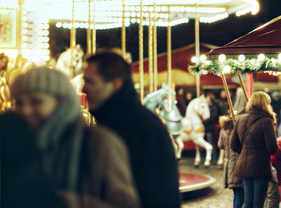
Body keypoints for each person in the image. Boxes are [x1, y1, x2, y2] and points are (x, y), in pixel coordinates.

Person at [2, 67, 139, 208]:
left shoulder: (98, 142)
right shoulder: (13, 142)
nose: (25, 110)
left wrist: (65, 202)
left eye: (36, 102)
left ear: (61, 103)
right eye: (19, 103)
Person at [83, 52, 180, 208]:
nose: (84, 89)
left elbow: (154, 189)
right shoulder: (115, 120)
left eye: (90, 82)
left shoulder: (136, 126)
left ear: (115, 84)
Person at [231, 91, 278, 208]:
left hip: (244, 166)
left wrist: (245, 152)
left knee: (247, 202)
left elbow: (233, 145)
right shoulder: (267, 121)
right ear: (265, 104)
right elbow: (272, 148)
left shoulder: (240, 119)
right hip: (260, 166)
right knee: (258, 203)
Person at [218, 116, 244, 208]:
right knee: (240, 194)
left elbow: (220, 145)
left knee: (236, 193)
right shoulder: (237, 131)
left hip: (228, 164)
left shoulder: (223, 131)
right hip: (237, 164)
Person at [203, 90, 220, 164]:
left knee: (210, 143)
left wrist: (204, 121)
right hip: (206, 127)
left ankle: (214, 158)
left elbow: (212, 118)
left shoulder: (214, 108)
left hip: (209, 127)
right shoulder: (208, 107)